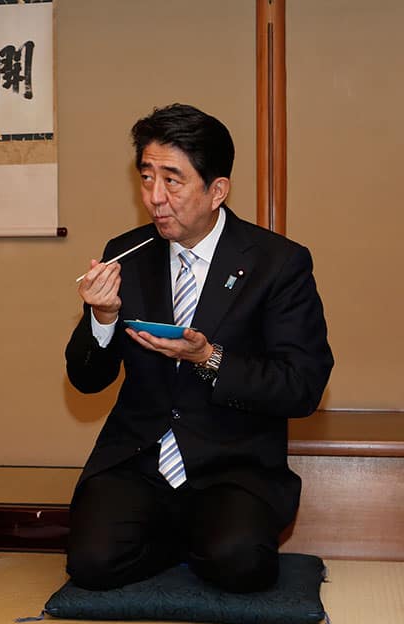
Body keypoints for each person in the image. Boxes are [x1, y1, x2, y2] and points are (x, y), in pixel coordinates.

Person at [64, 104, 333, 593]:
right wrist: (102, 319)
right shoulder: (128, 252)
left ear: (217, 190)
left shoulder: (278, 263)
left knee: (242, 566)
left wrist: (209, 358)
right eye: (146, 178)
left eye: (173, 180)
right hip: (142, 456)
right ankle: (181, 538)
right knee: (90, 565)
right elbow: (85, 380)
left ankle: (200, 538)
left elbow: (302, 386)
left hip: (233, 463)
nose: (155, 198)